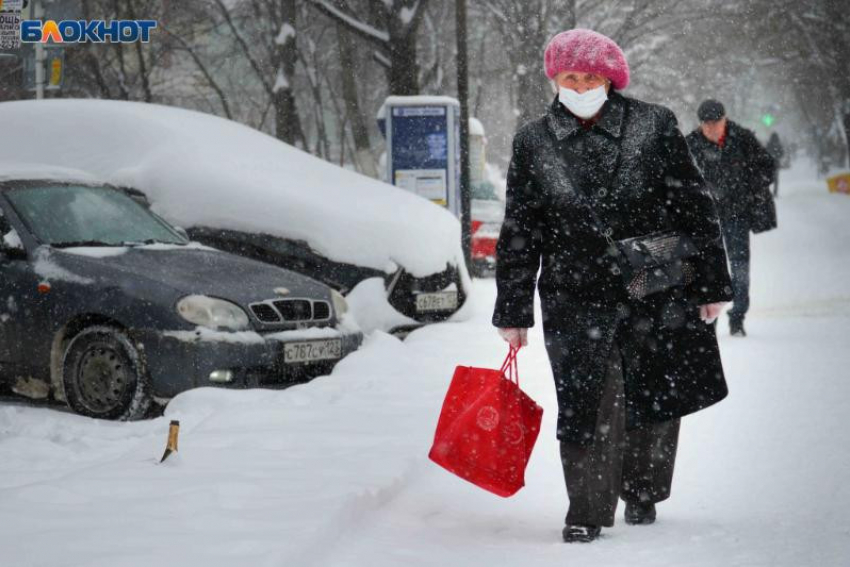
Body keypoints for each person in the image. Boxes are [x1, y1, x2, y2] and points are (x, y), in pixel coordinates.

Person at [493, 29, 734, 543]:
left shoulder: (653, 124)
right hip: (572, 293)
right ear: (555, 79)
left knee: (653, 389)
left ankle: (642, 489)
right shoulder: (534, 141)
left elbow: (694, 206)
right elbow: (519, 229)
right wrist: (513, 310)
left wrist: (712, 284)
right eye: (569, 77)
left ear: (611, 78)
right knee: (584, 402)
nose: (580, 85)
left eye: (591, 76)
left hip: (653, 284)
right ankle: (586, 508)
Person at [686, 101, 776, 337]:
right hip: (706, 218)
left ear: (725, 119)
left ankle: (738, 316)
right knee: (709, 268)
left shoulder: (742, 138)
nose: (711, 128)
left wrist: (750, 188)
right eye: (706, 124)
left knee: (739, 266)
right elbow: (677, 179)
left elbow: (767, 166)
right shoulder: (690, 144)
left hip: (737, 214)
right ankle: (709, 320)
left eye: (715, 123)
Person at [766, 132, 784, 197]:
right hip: (776, 164)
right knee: (776, 179)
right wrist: (777, 156)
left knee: (768, 178)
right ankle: (775, 192)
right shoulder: (778, 145)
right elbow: (782, 153)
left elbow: (765, 152)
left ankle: (768, 192)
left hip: (769, 164)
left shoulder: (769, 144)